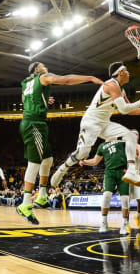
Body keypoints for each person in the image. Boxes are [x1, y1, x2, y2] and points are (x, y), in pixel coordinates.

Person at [16, 61, 101, 224]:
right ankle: (25, 204)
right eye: (43, 65)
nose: (46, 67)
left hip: (33, 123)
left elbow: (24, 98)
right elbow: (65, 80)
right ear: (37, 69)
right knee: (34, 163)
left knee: (48, 159)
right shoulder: (43, 76)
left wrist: (42, 101)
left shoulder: (26, 82)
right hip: (34, 124)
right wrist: (89, 77)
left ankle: (41, 196)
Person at [51, 62, 140, 189]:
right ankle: (63, 168)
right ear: (120, 73)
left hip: (104, 123)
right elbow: (124, 109)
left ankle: (131, 172)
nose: (129, 73)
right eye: (127, 70)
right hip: (91, 122)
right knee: (82, 153)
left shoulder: (121, 90)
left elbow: (130, 110)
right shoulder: (112, 85)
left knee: (130, 136)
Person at [79, 140, 132, 235]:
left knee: (125, 199)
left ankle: (124, 224)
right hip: (109, 172)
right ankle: (104, 223)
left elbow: (134, 146)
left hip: (123, 171)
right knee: (106, 195)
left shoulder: (121, 142)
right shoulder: (102, 146)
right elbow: (95, 161)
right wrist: (85, 162)